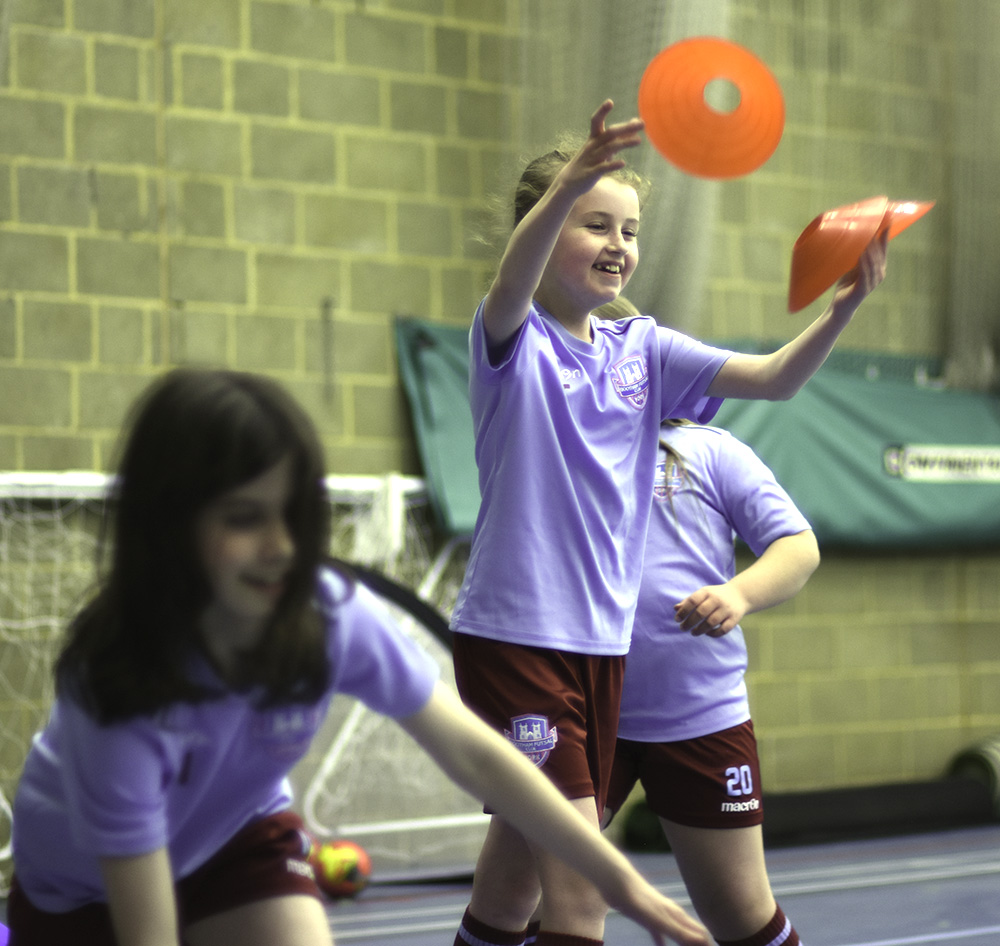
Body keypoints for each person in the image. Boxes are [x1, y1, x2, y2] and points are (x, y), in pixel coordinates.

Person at [7, 368, 713, 946]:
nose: (280, 546)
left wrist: (620, 880)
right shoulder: (120, 692)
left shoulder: (326, 613)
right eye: (245, 518)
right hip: (83, 892)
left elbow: (479, 756)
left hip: (236, 840)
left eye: (294, 514)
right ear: (169, 528)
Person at [448, 99, 887, 946]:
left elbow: (774, 378)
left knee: (507, 888)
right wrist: (568, 184)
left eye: (632, 230)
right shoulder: (511, 342)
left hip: (601, 651)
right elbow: (511, 281)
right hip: (518, 641)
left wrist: (840, 311)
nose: (619, 244)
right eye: (595, 224)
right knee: (579, 899)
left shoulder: (642, 350)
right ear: (545, 228)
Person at [604, 419, 820, 946]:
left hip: (698, 712)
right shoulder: (573, 435)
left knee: (739, 911)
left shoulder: (710, 450)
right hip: (586, 710)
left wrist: (739, 594)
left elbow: (798, 547)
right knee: (528, 893)